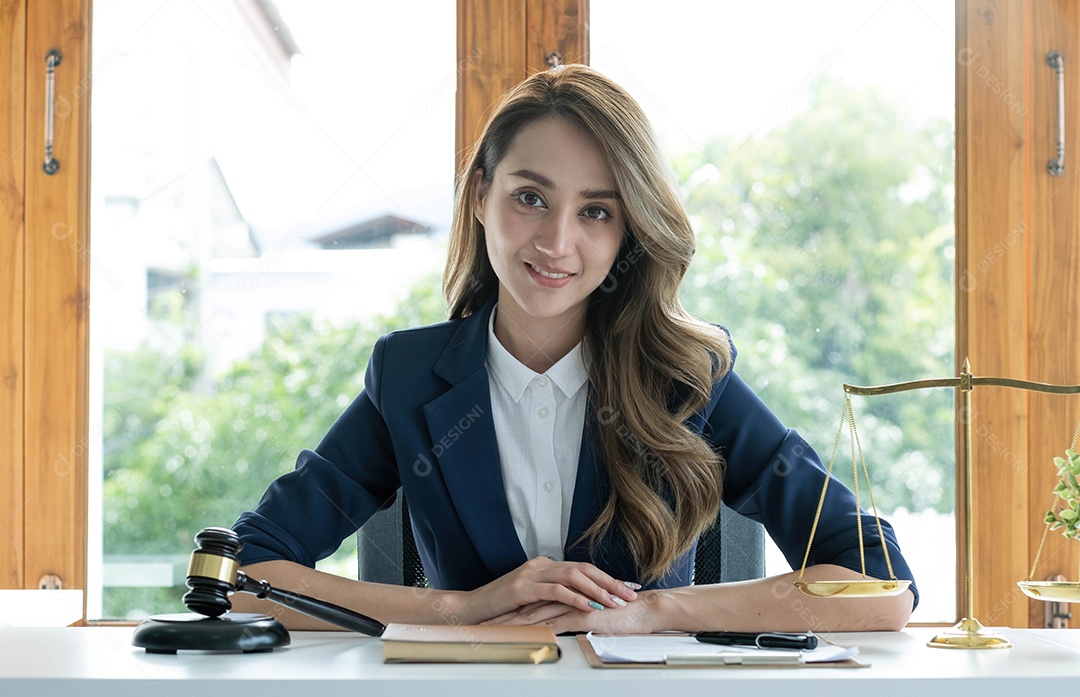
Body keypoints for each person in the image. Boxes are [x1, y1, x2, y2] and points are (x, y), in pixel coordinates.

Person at [231, 64, 917, 634]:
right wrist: (464, 609)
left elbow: (880, 582)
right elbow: (243, 573)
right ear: (481, 195)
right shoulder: (409, 377)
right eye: (530, 197)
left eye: (596, 211)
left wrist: (653, 611)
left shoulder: (686, 377)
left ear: (629, 230)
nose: (557, 243)